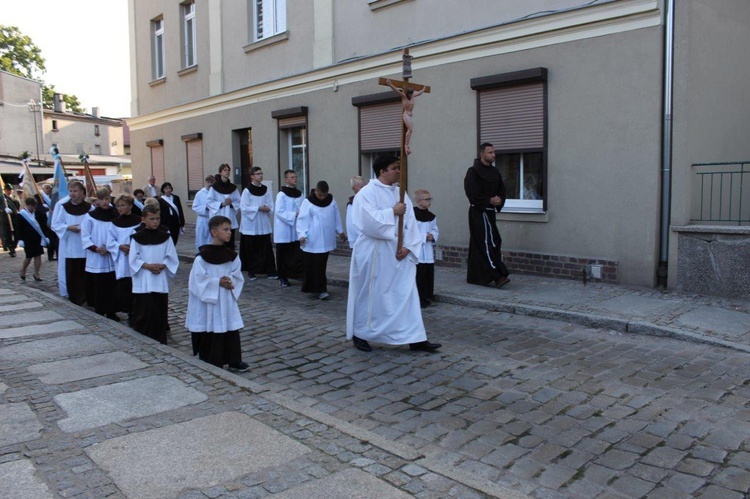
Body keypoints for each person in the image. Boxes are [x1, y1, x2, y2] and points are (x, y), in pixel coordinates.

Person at [346, 154, 441, 353]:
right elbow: (365, 222)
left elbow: (411, 221)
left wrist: (409, 246)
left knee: (406, 293)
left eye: (399, 167)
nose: (398, 171)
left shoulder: (400, 192)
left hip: (400, 253)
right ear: (382, 171)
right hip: (375, 252)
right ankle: (362, 333)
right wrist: (392, 212)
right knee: (372, 294)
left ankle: (415, 337)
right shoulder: (367, 193)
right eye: (394, 167)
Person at [186, 215, 249, 372]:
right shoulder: (202, 258)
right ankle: (211, 358)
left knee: (230, 327)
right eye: (225, 229)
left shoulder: (232, 256)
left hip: (226, 299)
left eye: (230, 229)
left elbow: (237, 276)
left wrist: (230, 280)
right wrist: (216, 282)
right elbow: (196, 281)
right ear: (214, 232)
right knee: (212, 327)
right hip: (210, 301)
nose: (229, 232)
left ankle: (234, 360)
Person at [128, 203, 179, 344]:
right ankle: (143, 336)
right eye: (152, 219)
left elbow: (172, 256)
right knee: (144, 310)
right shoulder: (137, 237)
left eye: (157, 218)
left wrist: (163, 265)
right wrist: (147, 266)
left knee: (159, 310)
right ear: (143, 219)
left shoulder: (166, 237)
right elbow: (133, 259)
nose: (155, 222)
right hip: (143, 279)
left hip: (159, 279)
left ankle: (159, 337)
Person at [464, 142, 511, 288]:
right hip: (479, 212)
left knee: (490, 241)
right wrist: (489, 200)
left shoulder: (495, 172)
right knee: (488, 243)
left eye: (494, 152)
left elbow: (501, 189)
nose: (493, 155)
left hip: (490, 213)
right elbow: (472, 193)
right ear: (482, 154)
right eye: (490, 152)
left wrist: (499, 201)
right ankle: (498, 276)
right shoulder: (473, 172)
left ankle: (476, 276)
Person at [296, 181, 345, 300]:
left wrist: (340, 231)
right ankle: (312, 287)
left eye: (324, 195)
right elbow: (302, 219)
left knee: (321, 265)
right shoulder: (308, 202)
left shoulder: (331, 200)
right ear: (315, 191)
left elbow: (336, 216)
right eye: (320, 195)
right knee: (311, 265)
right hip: (312, 239)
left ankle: (322, 289)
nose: (322, 198)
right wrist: (302, 235)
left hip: (326, 238)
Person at [51, 180, 92, 304]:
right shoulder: (63, 206)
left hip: (85, 244)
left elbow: (95, 223)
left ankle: (87, 295)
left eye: (75, 191)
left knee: (85, 271)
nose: (72, 193)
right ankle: (74, 296)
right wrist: (68, 227)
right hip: (70, 243)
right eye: (70, 191)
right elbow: (55, 224)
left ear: (81, 192)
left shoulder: (89, 207)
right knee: (72, 272)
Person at [81, 187, 119, 320]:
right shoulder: (90, 217)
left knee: (112, 284)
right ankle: (100, 309)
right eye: (101, 199)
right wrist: (95, 248)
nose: (104, 202)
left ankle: (112, 311)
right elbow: (85, 236)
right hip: (96, 256)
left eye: (107, 199)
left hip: (112, 255)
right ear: (97, 200)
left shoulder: (115, 215)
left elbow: (118, 233)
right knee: (99, 285)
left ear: (110, 198)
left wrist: (113, 247)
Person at [107, 194, 142, 325]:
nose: (120, 208)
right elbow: (110, 241)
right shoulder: (114, 223)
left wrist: (133, 247)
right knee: (126, 287)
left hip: (136, 258)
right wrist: (119, 246)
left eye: (123, 205)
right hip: (122, 259)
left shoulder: (139, 221)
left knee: (137, 285)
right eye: (118, 205)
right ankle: (130, 313)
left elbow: (143, 237)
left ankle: (139, 310)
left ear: (130, 205)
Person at [239, 167, 277, 280]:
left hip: (263, 223)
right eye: (258, 174)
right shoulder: (247, 190)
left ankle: (269, 270)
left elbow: (270, 204)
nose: (261, 175)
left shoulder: (265, 189)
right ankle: (252, 271)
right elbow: (244, 207)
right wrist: (258, 208)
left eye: (261, 173)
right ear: (252, 176)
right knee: (252, 249)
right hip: (251, 224)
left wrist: (268, 208)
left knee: (266, 248)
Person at [274, 170, 304, 288]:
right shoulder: (281, 195)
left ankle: (297, 274)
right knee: (283, 254)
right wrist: (293, 215)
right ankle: (282, 277)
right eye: (292, 177)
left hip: (296, 228)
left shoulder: (300, 194)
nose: (295, 179)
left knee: (295, 253)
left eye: (296, 177)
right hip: (284, 228)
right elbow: (279, 212)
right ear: (286, 180)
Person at [386, 79, 426, 155]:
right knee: (410, 129)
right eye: (410, 94)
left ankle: (407, 145)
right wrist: (390, 84)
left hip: (411, 115)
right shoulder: (404, 96)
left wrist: (423, 89)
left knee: (411, 130)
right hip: (406, 115)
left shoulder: (413, 95)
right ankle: (406, 145)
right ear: (407, 93)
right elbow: (396, 91)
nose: (411, 95)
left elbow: (419, 93)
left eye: (412, 94)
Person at [413, 189, 439, 308]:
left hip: (427, 249)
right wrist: (424, 236)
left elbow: (435, 229)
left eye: (430, 199)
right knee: (419, 274)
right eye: (427, 199)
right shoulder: (412, 215)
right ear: (419, 202)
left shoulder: (432, 217)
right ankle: (418, 297)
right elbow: (410, 232)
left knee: (428, 273)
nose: (429, 201)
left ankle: (427, 295)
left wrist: (432, 235)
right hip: (417, 250)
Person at [206, 163, 241, 248]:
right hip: (219, 216)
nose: (227, 172)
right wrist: (222, 204)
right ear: (220, 172)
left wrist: (231, 203)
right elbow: (209, 201)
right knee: (219, 242)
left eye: (228, 170)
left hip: (230, 217)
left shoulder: (233, 188)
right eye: (225, 170)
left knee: (230, 243)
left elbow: (239, 201)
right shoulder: (214, 187)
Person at [16, 197, 48, 281]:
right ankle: (23, 270)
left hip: (37, 237)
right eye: (31, 206)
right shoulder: (21, 215)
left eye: (34, 207)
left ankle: (36, 273)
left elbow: (42, 224)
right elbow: (18, 228)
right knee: (29, 256)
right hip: (27, 238)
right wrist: (20, 239)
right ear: (27, 205)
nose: (33, 208)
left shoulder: (36, 214)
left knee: (38, 255)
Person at [191, 175, 215, 252]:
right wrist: (205, 208)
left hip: (211, 219)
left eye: (211, 182)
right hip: (202, 219)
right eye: (208, 182)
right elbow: (195, 206)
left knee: (211, 238)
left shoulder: (215, 193)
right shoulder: (200, 193)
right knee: (201, 238)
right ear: (205, 183)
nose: (210, 184)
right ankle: (201, 253)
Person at [37, 184, 58, 261]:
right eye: (47, 188)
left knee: (54, 239)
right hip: (44, 221)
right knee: (50, 240)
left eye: (50, 188)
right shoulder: (40, 197)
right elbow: (37, 207)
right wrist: (44, 209)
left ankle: (56, 254)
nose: (49, 189)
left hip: (53, 220)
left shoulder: (53, 197)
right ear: (43, 189)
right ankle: (50, 255)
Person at [346, 176, 366, 250]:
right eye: (361, 187)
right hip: (357, 239)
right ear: (354, 188)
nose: (364, 189)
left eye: (365, 186)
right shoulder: (351, 204)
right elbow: (351, 224)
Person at [1, 184, 19, 257]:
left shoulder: (14, 198)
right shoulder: (2, 198)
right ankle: (12, 250)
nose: (9, 191)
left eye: (10, 190)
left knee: (17, 235)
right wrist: (4, 208)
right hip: (6, 220)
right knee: (7, 235)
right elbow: (1, 204)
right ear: (4, 190)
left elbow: (17, 207)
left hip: (14, 219)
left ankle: (13, 246)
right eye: (8, 190)